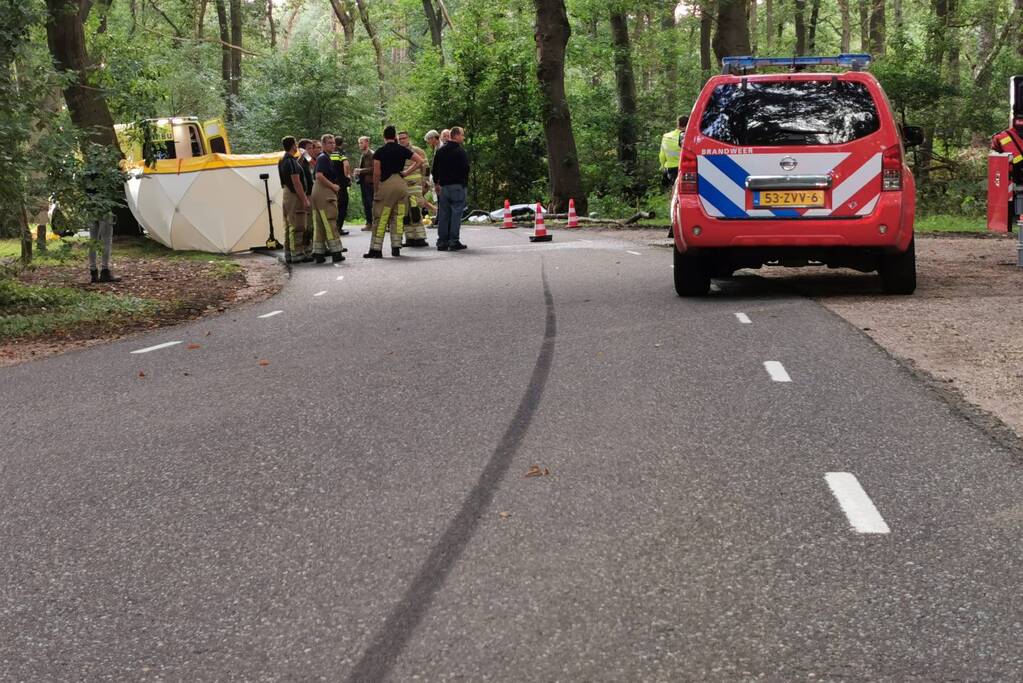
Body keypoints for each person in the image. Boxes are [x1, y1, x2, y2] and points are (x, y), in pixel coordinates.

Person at [365, 125, 424, 259]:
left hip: (386, 184)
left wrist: (376, 190)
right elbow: (419, 161)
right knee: (398, 216)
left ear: (384, 137)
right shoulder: (402, 149)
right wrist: (406, 173)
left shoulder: (379, 151)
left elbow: (376, 173)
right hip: (401, 184)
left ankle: (376, 249)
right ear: (395, 137)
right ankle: (396, 247)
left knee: (381, 217)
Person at [432, 126, 469, 251]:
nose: (463, 137)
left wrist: (437, 184)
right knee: (456, 214)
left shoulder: (440, 151)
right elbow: (466, 169)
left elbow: (434, 169)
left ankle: (442, 241)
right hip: (457, 186)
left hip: (443, 187)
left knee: (443, 214)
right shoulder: (460, 152)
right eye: (462, 135)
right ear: (456, 135)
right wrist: (464, 183)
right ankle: (454, 241)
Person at [310, 134, 346, 263]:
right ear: (324, 145)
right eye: (330, 143)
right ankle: (336, 252)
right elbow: (319, 175)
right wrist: (333, 186)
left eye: (333, 143)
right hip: (324, 193)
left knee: (319, 225)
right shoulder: (323, 158)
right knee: (330, 222)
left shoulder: (325, 158)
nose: (333, 145)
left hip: (318, 192)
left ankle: (319, 254)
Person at [277, 136, 311, 264]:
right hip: (293, 195)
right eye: (295, 144)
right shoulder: (290, 161)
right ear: (293, 146)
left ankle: (289, 253)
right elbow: (296, 182)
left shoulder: (283, 160)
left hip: (286, 193)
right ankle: (296, 253)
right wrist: (304, 199)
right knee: (297, 224)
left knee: (289, 223)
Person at [397, 130, 430, 248]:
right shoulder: (397, 151)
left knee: (416, 211)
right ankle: (410, 238)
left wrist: (425, 181)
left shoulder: (417, 151)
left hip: (415, 185)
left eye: (404, 138)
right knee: (405, 213)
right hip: (402, 186)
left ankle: (420, 238)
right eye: (400, 139)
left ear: (408, 138)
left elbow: (426, 166)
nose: (402, 140)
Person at [330, 134, 352, 236]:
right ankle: (339, 228)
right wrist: (347, 176)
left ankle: (334, 227)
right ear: (342, 144)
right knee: (343, 205)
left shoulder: (329, 154)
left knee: (334, 206)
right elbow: (346, 164)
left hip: (332, 183)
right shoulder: (340, 153)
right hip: (341, 184)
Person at [659, 115, 688, 190]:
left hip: (669, 168)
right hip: (683, 168)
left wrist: (662, 165)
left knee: (673, 189)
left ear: (677, 124)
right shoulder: (687, 137)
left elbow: (662, 154)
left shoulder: (666, 136)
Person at [354, 136, 375, 231]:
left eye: (361, 143)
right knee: (366, 203)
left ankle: (374, 223)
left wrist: (360, 171)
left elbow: (374, 169)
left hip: (370, 183)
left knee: (371, 203)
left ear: (367, 143)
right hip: (364, 183)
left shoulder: (371, 154)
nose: (360, 145)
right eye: (359, 143)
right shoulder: (363, 154)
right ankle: (369, 223)